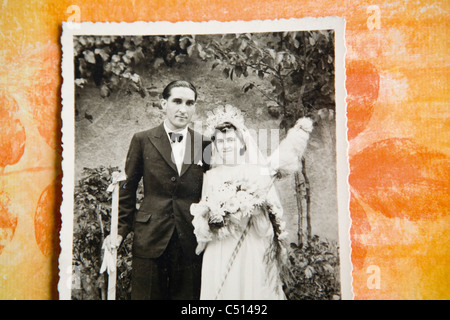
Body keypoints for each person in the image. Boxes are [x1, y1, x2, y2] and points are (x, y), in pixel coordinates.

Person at [105, 80, 211, 300]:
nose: (183, 109)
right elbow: (128, 186)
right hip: (150, 237)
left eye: (189, 103)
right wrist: (121, 230)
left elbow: (213, 187)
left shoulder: (204, 144)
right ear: (164, 104)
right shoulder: (142, 139)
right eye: (177, 101)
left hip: (190, 238)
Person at [190, 105, 288, 300]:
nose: (226, 145)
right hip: (221, 245)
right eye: (220, 141)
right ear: (215, 145)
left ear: (241, 142)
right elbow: (203, 210)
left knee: (251, 288)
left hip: (251, 242)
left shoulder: (257, 171)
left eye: (230, 140)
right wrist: (213, 220)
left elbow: (274, 212)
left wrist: (253, 208)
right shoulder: (210, 176)